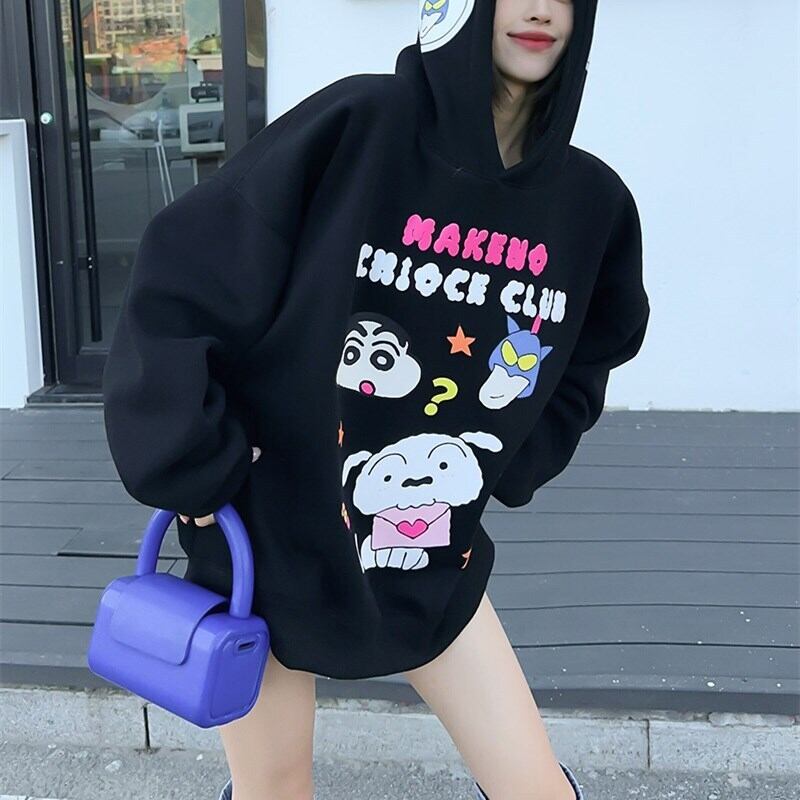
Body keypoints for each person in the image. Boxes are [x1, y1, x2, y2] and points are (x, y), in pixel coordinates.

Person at [101, 0, 650, 798]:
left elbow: (595, 350)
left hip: (429, 550)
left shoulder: (590, 204)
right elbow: (183, 278)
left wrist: (511, 458)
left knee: (535, 787)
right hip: (268, 546)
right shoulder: (358, 126)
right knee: (274, 790)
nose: (538, 8)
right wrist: (191, 464)